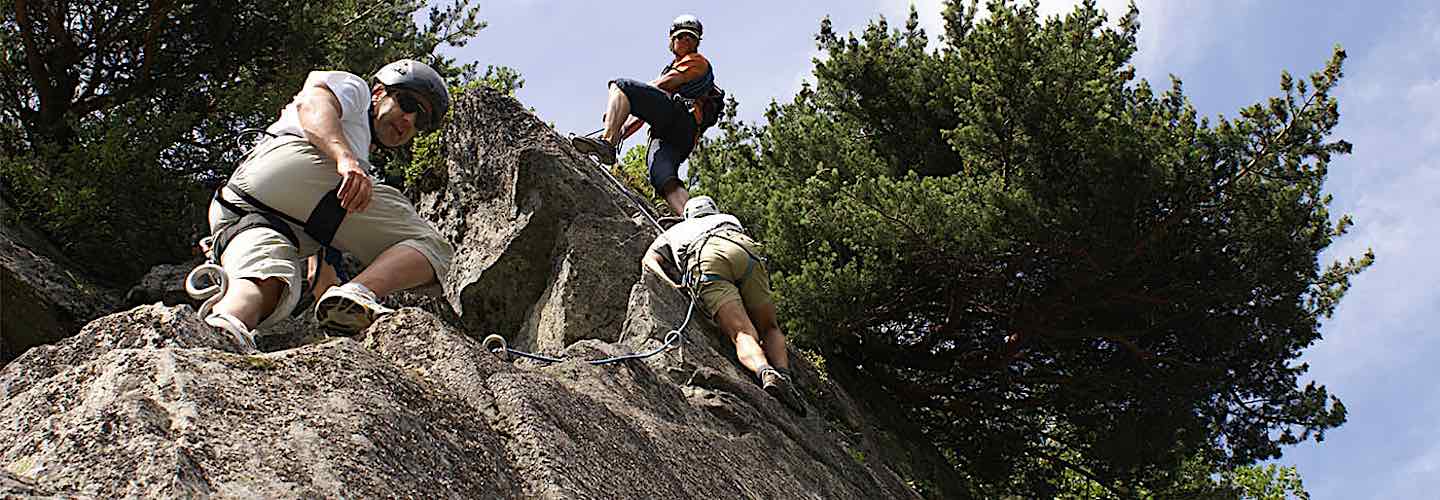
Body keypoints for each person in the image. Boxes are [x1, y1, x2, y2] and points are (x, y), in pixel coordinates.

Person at [197, 59, 455, 350]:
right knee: (432, 247)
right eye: (408, 104)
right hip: (293, 163)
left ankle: (222, 329)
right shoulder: (355, 91)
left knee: (268, 280)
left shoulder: (353, 158)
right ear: (379, 92)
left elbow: (320, 272)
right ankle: (362, 290)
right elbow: (314, 104)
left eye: (421, 121)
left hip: (238, 211)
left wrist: (333, 304)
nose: (409, 121)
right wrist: (345, 159)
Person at [641, 196, 805, 415]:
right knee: (770, 327)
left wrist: (672, 283)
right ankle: (785, 376)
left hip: (704, 257)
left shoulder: (674, 231)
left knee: (741, 333)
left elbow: (649, 260)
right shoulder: (729, 218)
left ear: (686, 215)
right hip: (742, 249)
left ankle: (766, 371)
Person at [573, 14, 717, 217]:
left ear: (697, 43)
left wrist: (626, 96)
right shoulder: (673, 68)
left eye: (690, 38)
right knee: (661, 174)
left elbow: (664, 84)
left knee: (620, 85)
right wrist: (620, 128)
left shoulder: (697, 62)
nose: (685, 40)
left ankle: (607, 144)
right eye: (681, 36)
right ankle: (692, 219)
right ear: (672, 39)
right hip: (673, 136)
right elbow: (643, 116)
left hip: (683, 119)